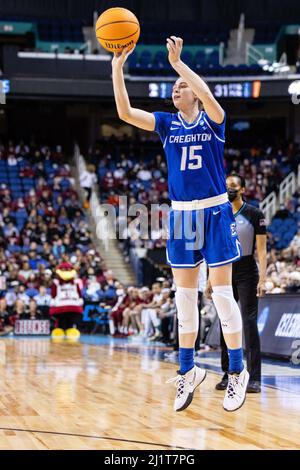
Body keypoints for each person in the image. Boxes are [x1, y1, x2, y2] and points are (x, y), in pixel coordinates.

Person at [112, 36, 248, 412]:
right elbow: (124, 113)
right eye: (174, 85)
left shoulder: (214, 120)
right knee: (184, 298)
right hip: (182, 215)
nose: (177, 88)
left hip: (216, 211)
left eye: (182, 85)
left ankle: (237, 370)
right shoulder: (167, 124)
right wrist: (116, 68)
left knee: (221, 295)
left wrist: (179, 65)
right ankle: (188, 371)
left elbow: (205, 92)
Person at [214, 173, 267, 393]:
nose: (229, 189)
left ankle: (254, 378)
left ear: (243, 190)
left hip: (247, 271)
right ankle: (228, 373)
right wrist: (210, 278)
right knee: (226, 322)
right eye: (226, 186)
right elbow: (214, 248)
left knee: (248, 323)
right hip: (224, 268)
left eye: (233, 186)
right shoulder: (219, 213)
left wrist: (263, 278)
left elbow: (262, 250)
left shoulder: (255, 213)